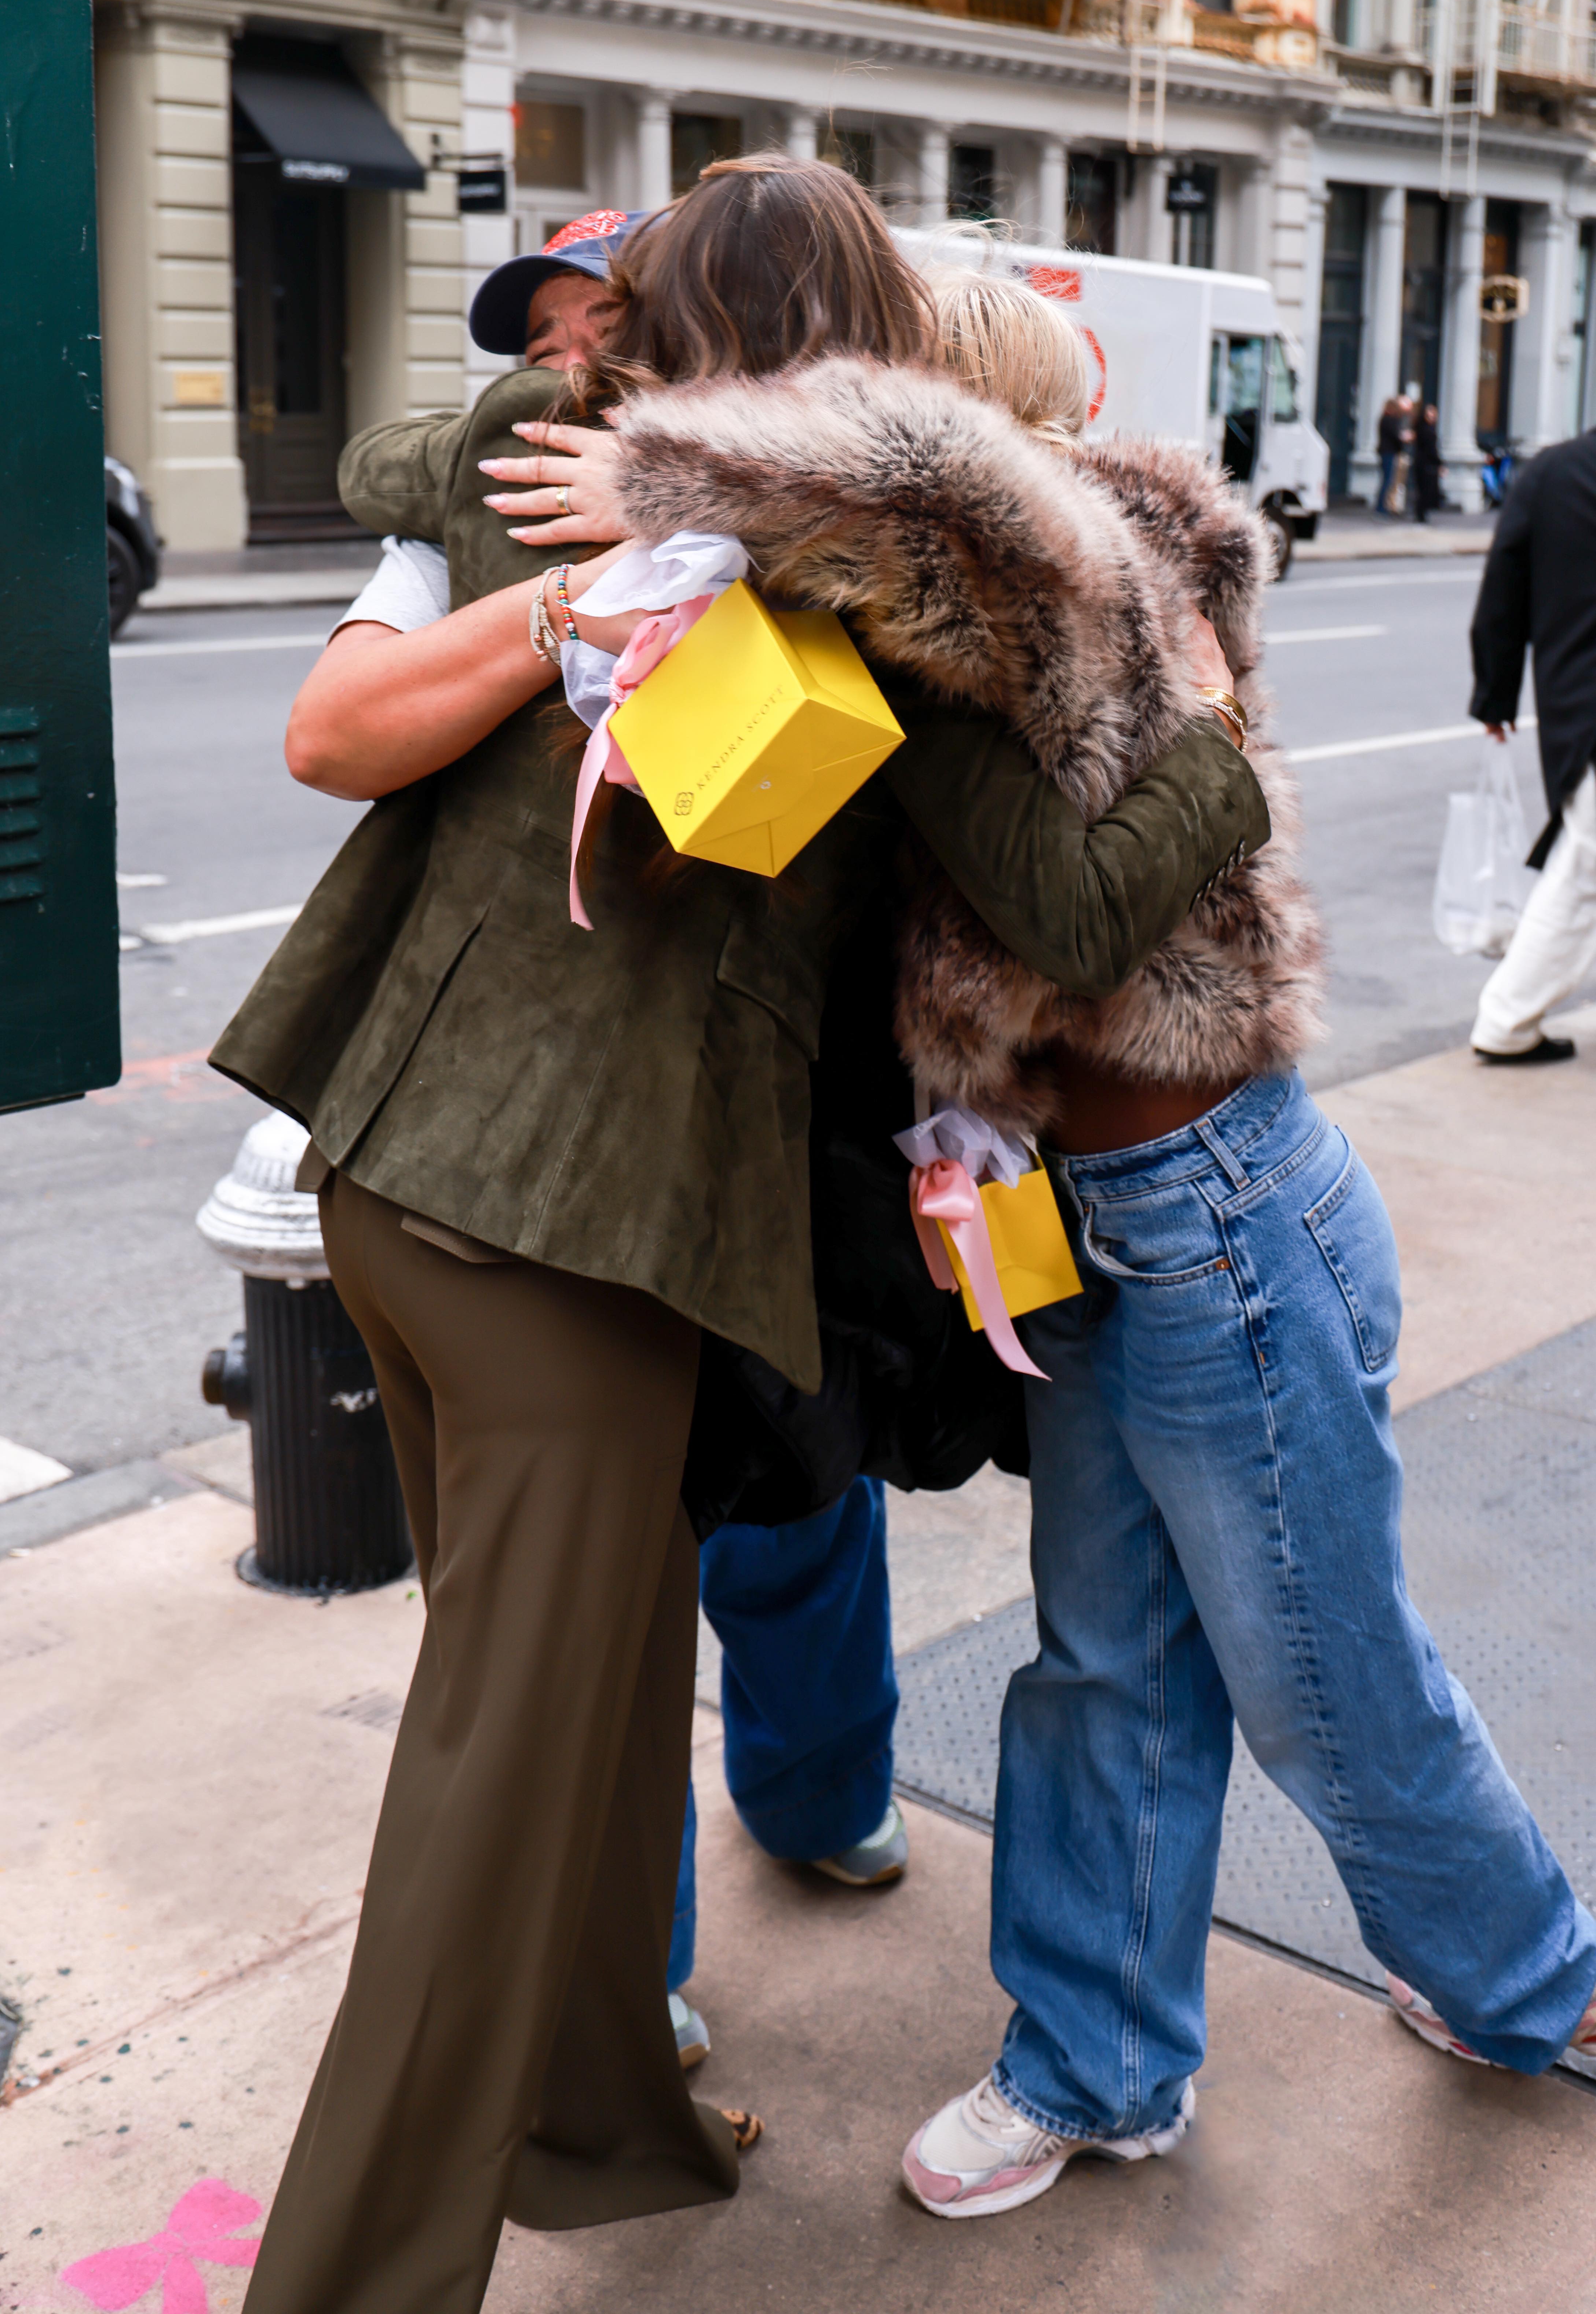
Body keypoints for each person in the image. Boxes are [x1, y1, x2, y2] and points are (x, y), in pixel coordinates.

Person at [211, 159, 1270, 2314]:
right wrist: (1214, 750)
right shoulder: (860, 572)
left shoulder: (566, 477)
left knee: (586, 1721)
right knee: (504, 1780)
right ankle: (354, 2281)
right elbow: (1071, 896)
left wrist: (601, 453)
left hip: (396, 1188)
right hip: (570, 1244)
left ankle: (604, 2120)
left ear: (632, 327)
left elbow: (396, 454)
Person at [599, 262, 1596, 2223]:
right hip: (1123, 1218)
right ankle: (1097, 2066)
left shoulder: (1053, 611)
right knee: (1105, 1670)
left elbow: (1066, 909)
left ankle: (1532, 1980)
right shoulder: (1021, 593)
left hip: (1218, 1216)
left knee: (1317, 1674)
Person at [335, 202, 912, 2081]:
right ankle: (630, 1964)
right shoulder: (520, 488)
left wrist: (705, 494)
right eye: (546, 326)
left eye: (606, 313)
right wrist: (560, 558)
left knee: (807, 1499)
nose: (573, 347)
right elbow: (340, 695)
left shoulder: (838, 489)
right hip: (596, 1134)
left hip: (804, 1091)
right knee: (629, 1567)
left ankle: (822, 1800)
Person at [1469, 420, 1596, 1065]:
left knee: (1583, 863)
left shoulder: (1550, 474)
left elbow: (1502, 592)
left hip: (1578, 704)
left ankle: (1508, 1019)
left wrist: (1494, 696)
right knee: (1581, 871)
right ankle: (1506, 1018)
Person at [1410, 396, 1443, 521]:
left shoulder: (1422, 429)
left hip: (1422, 463)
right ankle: (1421, 514)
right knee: (1425, 490)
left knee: (1423, 490)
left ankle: (1421, 513)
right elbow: (1432, 450)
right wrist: (1439, 463)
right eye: (1430, 413)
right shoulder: (1428, 431)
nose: (1433, 415)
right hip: (1427, 464)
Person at [1374, 391, 1407, 515]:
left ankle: (1383, 506)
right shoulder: (1390, 420)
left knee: (1387, 480)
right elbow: (1396, 436)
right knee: (1388, 480)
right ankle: (1382, 507)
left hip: (1386, 452)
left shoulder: (1384, 419)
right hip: (1389, 452)